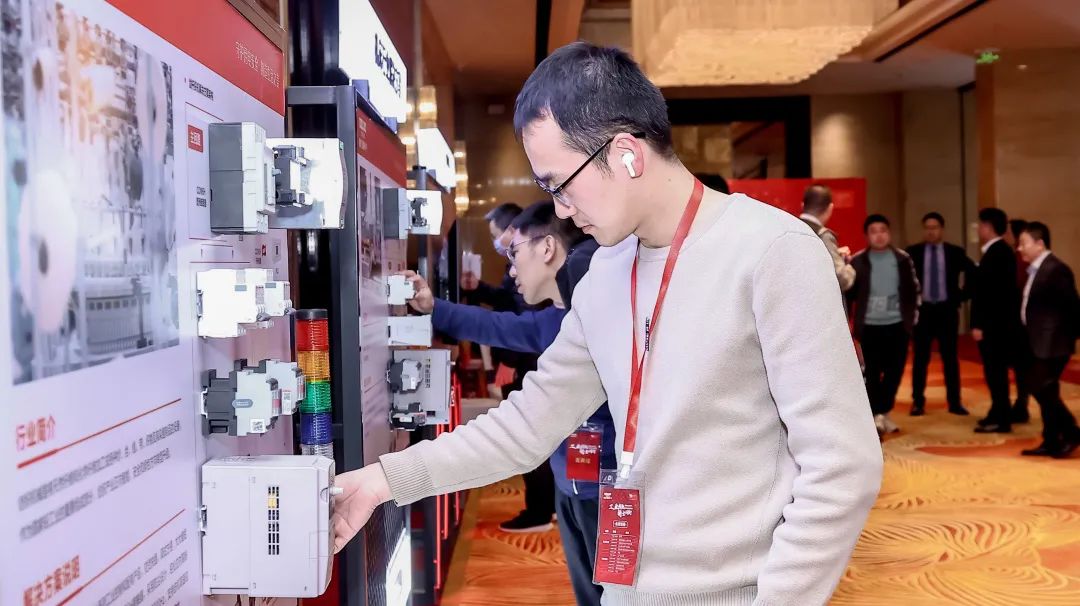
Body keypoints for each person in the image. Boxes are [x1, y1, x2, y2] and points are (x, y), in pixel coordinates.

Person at [333, 42, 882, 605]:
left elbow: (842, 467)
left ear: (626, 154)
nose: (561, 209)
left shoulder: (772, 251)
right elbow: (527, 425)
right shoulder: (605, 273)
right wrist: (383, 480)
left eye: (559, 184)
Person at [406, 201, 614, 605]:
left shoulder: (600, 316)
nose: (512, 269)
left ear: (547, 248)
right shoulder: (558, 318)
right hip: (570, 481)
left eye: (514, 252)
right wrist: (434, 308)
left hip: (605, 487)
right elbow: (501, 326)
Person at [463, 202, 558, 532]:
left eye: (496, 235)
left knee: (528, 435)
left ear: (511, 230)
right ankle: (546, 506)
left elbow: (523, 317)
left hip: (523, 362)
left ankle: (539, 511)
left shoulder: (526, 264)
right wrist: (478, 290)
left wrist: (508, 361)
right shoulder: (515, 264)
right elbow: (507, 300)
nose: (496, 243)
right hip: (525, 359)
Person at [848, 215, 920, 435]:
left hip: (897, 325)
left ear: (889, 233)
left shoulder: (902, 259)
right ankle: (876, 415)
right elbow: (849, 295)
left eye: (883, 230)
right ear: (867, 236)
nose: (879, 235)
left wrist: (910, 322)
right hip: (869, 326)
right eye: (874, 231)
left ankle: (883, 412)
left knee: (894, 372)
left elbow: (914, 290)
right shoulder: (858, 261)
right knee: (872, 372)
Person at [1016, 222, 1080, 458]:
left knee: (1041, 387)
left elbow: (1072, 307)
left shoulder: (1056, 269)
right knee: (1044, 389)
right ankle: (1051, 439)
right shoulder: (1035, 269)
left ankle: (1071, 432)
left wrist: (1066, 339)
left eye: (1023, 243)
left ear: (1040, 244)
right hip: (1037, 341)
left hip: (1054, 343)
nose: (1019, 248)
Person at [905, 212, 975, 416]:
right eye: (927, 228)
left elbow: (973, 272)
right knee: (920, 358)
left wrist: (961, 296)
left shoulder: (954, 252)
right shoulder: (913, 253)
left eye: (934, 227)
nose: (930, 231)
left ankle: (955, 402)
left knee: (950, 358)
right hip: (923, 311)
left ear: (942, 229)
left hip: (946, 310)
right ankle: (918, 402)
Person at [971, 208, 1023, 434]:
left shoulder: (998, 253)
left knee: (996, 373)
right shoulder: (998, 251)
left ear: (988, 227)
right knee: (994, 373)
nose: (978, 229)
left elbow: (992, 296)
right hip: (997, 325)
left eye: (980, 225)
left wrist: (980, 324)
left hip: (995, 327)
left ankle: (1002, 417)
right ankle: (997, 411)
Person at [800, 184, 855, 293]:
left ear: (802, 205)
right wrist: (848, 267)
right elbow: (842, 279)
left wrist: (834, 253)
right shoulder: (823, 236)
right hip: (816, 299)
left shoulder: (788, 229)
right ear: (830, 208)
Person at [1007, 217, 1033, 423]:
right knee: (1022, 366)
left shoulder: (1018, 259)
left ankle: (1022, 404)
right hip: (1019, 321)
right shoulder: (1016, 257)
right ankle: (1021, 403)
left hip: (1021, 322)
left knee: (1023, 366)